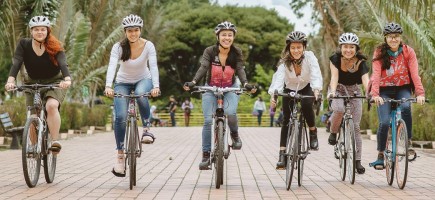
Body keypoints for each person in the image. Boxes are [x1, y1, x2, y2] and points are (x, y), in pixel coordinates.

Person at [183, 21, 256, 170]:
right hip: (210, 87)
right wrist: (194, 81)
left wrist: (246, 83)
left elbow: (240, 69)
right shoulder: (209, 51)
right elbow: (203, 67)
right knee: (208, 120)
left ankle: (235, 136)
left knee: (230, 112)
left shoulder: (236, 53)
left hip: (230, 86)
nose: (227, 38)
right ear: (218, 36)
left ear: (233, 37)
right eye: (224, 35)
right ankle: (205, 155)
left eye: (230, 35)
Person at [4, 16, 71, 154]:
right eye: (36, 29)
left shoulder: (55, 45)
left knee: (51, 106)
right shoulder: (24, 44)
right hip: (32, 82)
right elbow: (17, 62)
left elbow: (63, 63)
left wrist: (67, 79)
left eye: (42, 29)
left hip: (55, 82)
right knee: (33, 115)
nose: (39, 32)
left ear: (47, 31)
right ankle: (34, 146)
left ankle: (54, 141)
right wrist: (10, 80)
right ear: (31, 31)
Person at [104, 14, 161, 177]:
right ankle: (120, 156)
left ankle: (147, 129)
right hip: (122, 82)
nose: (133, 33)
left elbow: (154, 66)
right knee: (120, 117)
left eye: (136, 30)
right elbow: (112, 66)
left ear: (140, 30)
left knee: (141, 94)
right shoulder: (118, 47)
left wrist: (156, 86)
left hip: (143, 79)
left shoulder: (148, 45)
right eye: (130, 31)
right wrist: (108, 85)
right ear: (125, 32)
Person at [369, 22, 425, 168]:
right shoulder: (379, 52)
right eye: (390, 37)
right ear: (385, 38)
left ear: (400, 37)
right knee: (385, 121)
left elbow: (414, 73)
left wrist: (420, 93)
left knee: (406, 107)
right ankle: (381, 153)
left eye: (396, 36)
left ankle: (408, 141)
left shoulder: (408, 52)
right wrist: (375, 94)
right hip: (384, 90)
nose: (393, 39)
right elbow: (375, 75)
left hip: (403, 88)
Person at [269, 31, 323, 169]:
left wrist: (316, 89)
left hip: (306, 86)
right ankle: (282, 155)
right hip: (290, 88)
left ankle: (312, 132)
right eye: (293, 48)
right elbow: (279, 79)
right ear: (288, 48)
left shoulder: (310, 57)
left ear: (304, 47)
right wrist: (274, 95)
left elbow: (316, 72)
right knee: (286, 119)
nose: (296, 50)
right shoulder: (284, 62)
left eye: (299, 47)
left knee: (306, 105)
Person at [327, 33, 369, 174]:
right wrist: (332, 91)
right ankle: (333, 132)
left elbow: (366, 81)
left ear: (356, 48)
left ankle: (357, 161)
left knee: (356, 126)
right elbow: (334, 77)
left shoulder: (361, 62)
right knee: (338, 109)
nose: (348, 50)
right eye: (345, 47)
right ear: (341, 47)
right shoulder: (335, 59)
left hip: (355, 92)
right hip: (338, 89)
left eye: (352, 47)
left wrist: (370, 94)